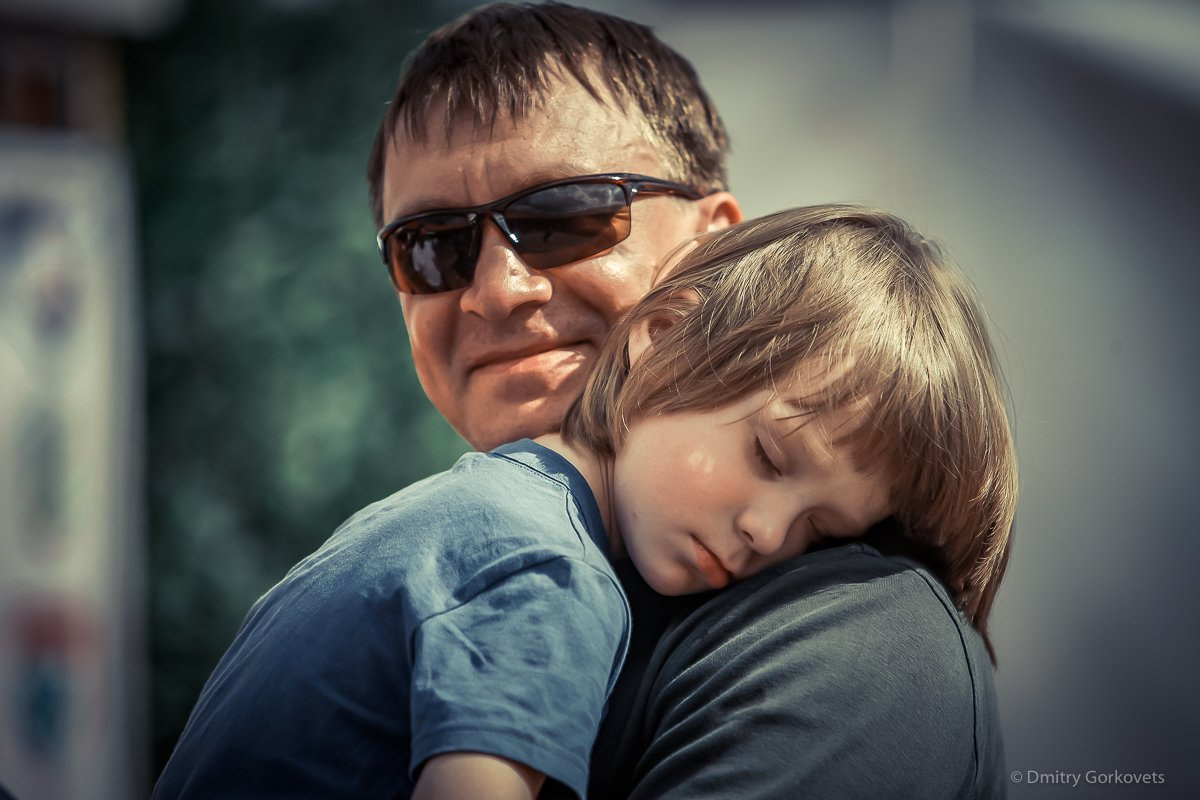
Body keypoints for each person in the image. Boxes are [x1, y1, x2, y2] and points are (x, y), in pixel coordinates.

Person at [161, 3, 1012, 798]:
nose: (496, 291)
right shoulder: (527, 559)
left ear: (710, 254)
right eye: (432, 249)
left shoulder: (849, 646)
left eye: (566, 214)